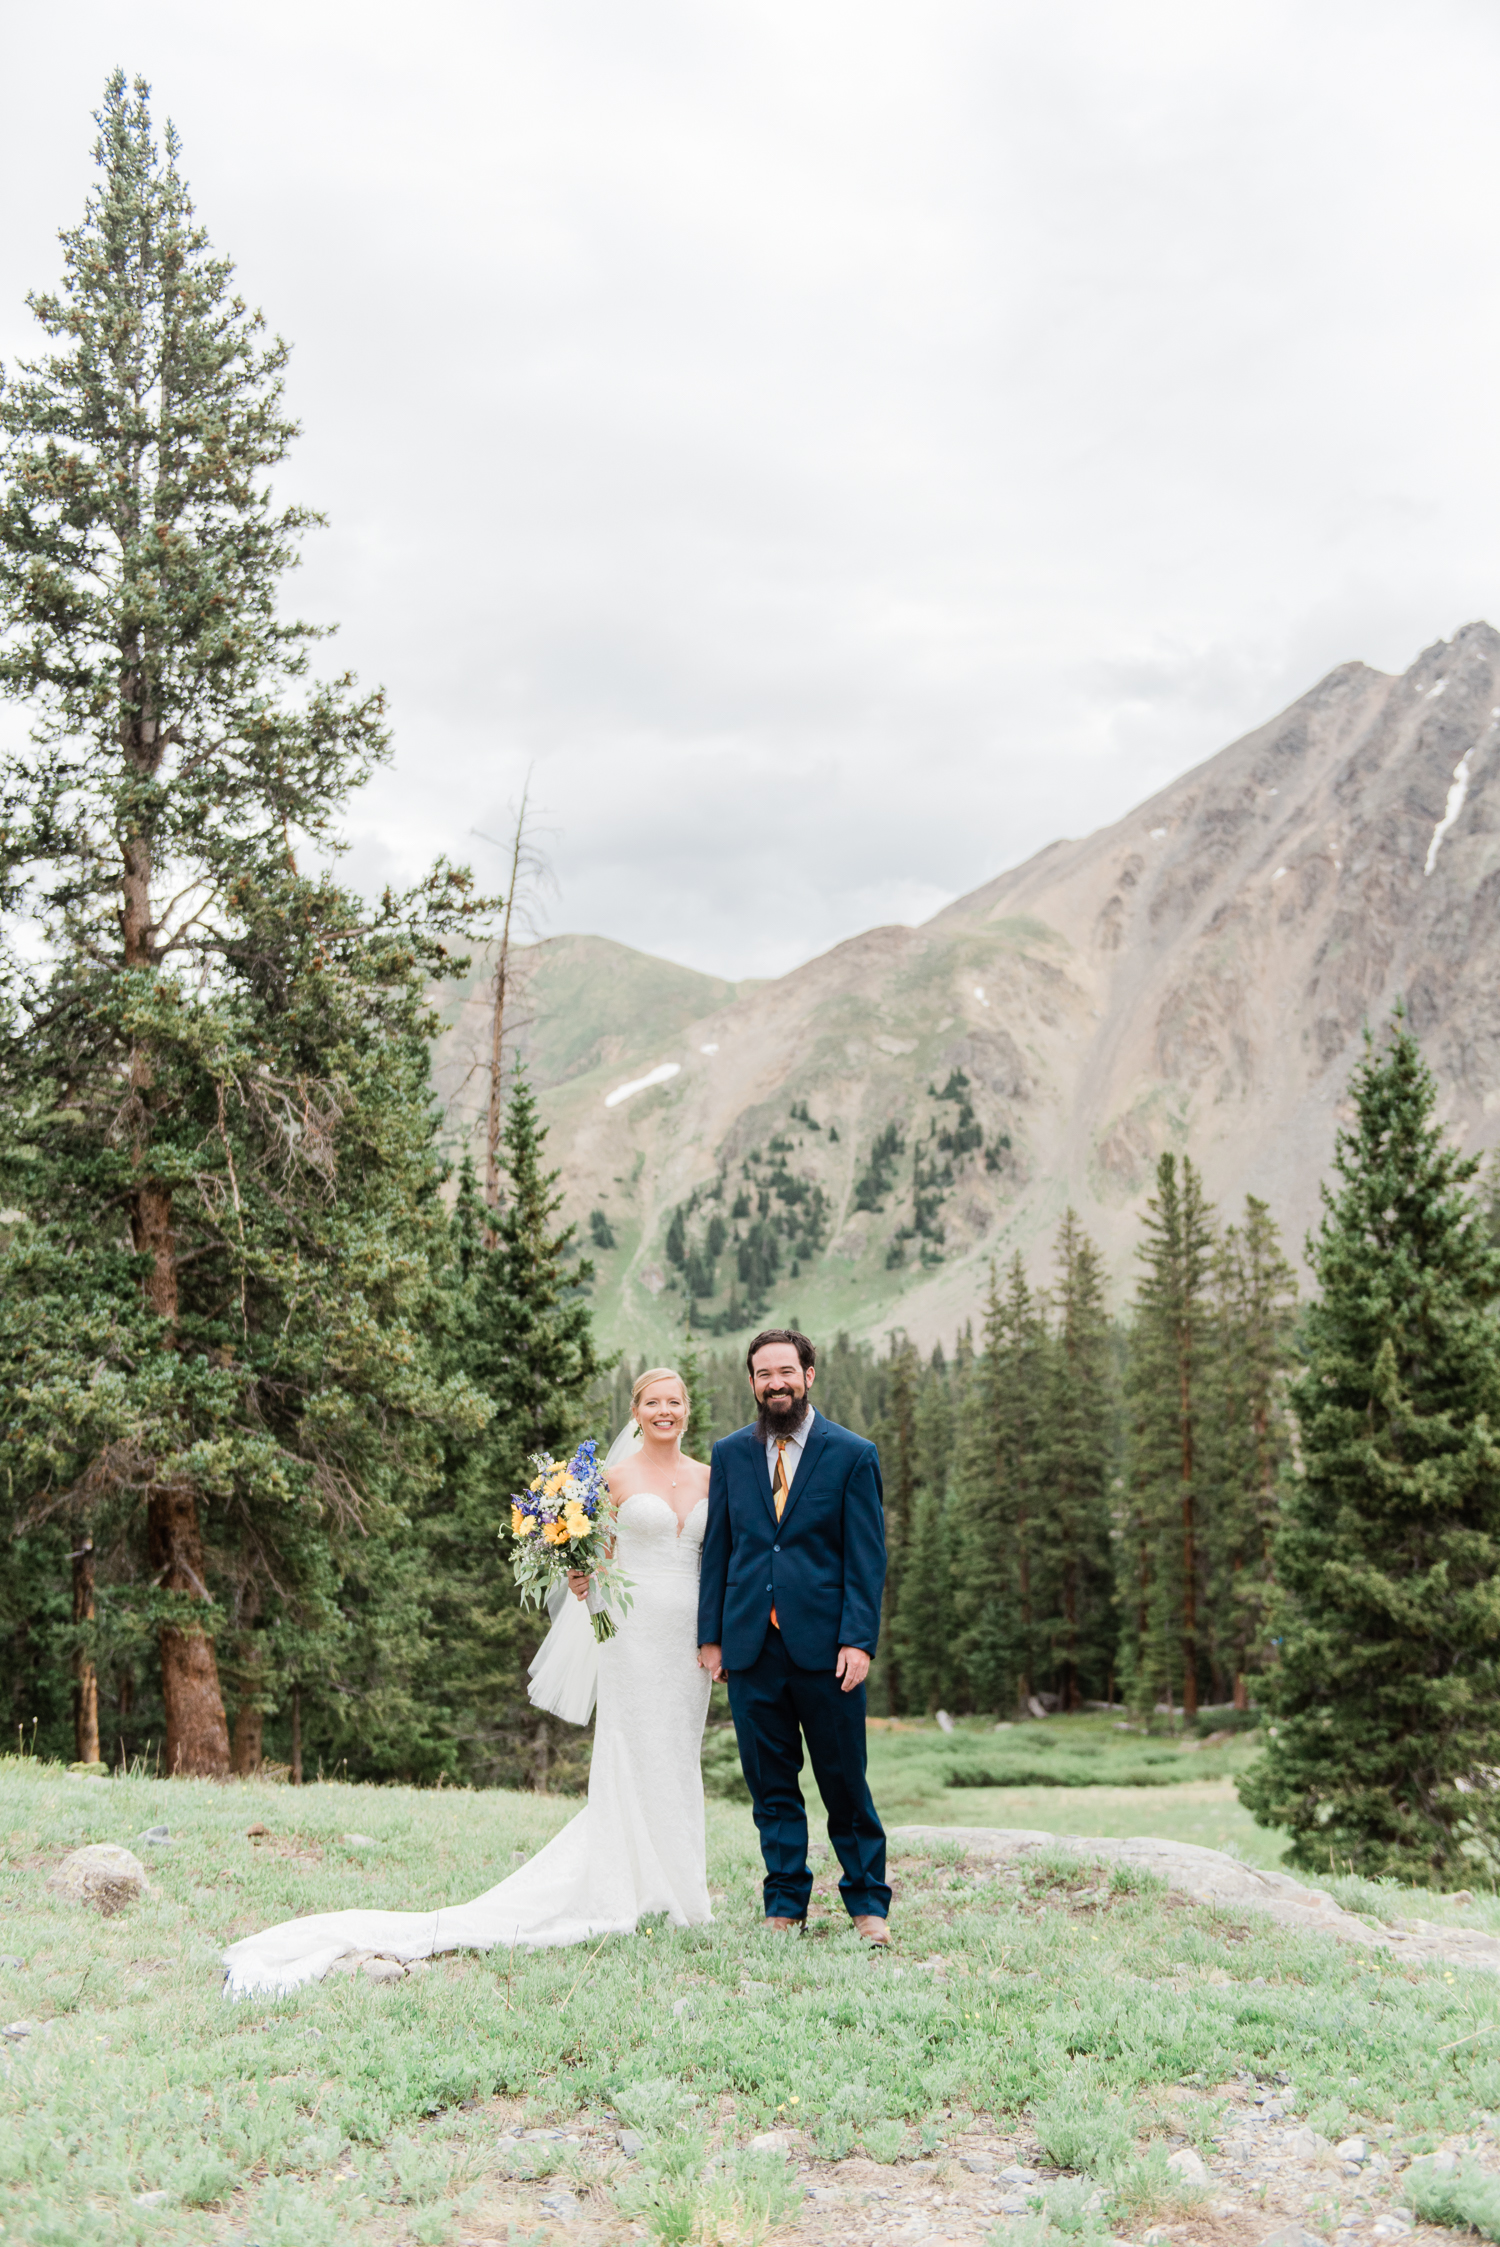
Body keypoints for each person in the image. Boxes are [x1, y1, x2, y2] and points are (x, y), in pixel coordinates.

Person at [221, 1368, 712, 1996]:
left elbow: (719, 1556)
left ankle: (680, 1889)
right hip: (629, 1630)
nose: (664, 1411)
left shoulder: (708, 1477)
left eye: (674, 1402)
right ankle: (628, 1885)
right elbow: (587, 1547)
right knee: (632, 1750)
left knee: (677, 1755)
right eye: (652, 1403)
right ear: (636, 1412)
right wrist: (580, 1575)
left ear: (687, 1410)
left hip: (688, 1639)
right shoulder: (611, 1479)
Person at [697, 1327, 891, 1945]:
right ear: (752, 1383)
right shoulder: (730, 1454)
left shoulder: (852, 1453)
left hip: (828, 1651)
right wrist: (712, 1636)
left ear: (809, 1375)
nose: (775, 1383)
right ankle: (783, 1905)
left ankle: (868, 1907)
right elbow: (719, 1551)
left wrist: (858, 1641)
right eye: (763, 1374)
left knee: (844, 1784)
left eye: (786, 1371)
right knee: (772, 1787)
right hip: (751, 1648)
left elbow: (867, 1558)